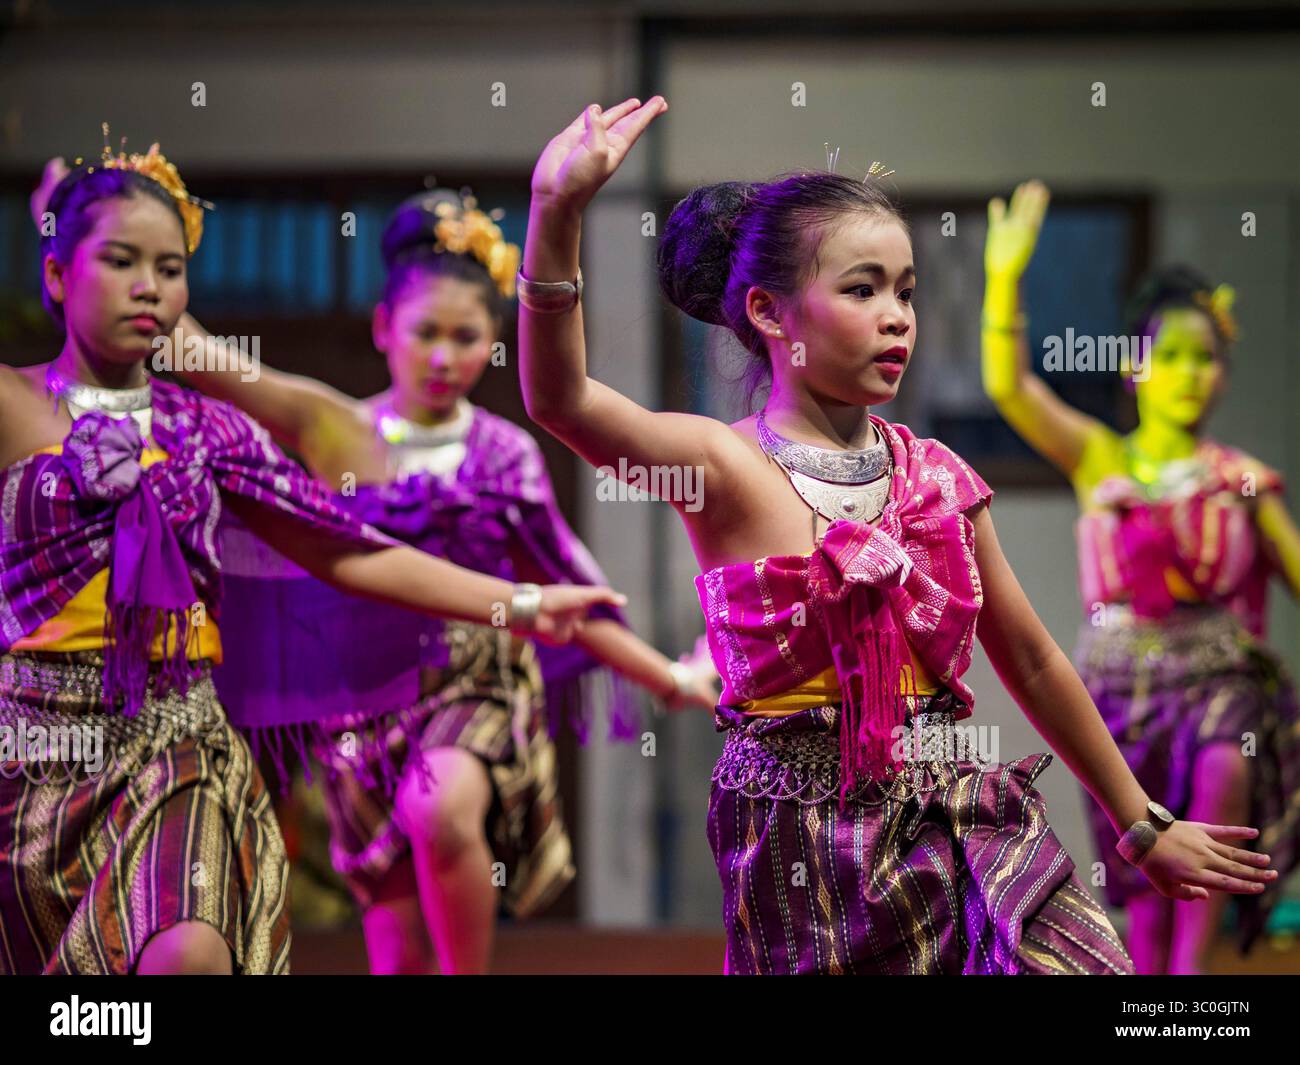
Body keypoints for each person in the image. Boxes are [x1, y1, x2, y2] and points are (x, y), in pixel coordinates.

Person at [514, 97, 1278, 974]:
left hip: (948, 813)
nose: (898, 315)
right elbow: (560, 400)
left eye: (907, 291)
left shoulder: (940, 478)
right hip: (797, 844)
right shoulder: (718, 468)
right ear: (770, 314)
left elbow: (1029, 658)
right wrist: (557, 212)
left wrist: (1141, 823)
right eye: (862, 289)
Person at [0, 141, 621, 975]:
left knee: (187, 959)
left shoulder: (208, 430)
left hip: (178, 748)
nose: (150, 286)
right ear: (54, 276)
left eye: (172, 268)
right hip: (32, 750)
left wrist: (524, 603)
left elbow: (347, 553)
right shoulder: (11, 405)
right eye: (119, 261)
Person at [160, 188, 716, 974]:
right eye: (426, 333)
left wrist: (668, 678)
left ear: (496, 338)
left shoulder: (504, 453)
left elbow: (560, 592)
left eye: (467, 336)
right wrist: (107, 229)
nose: (444, 356)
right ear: (385, 329)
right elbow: (202, 359)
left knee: (442, 805)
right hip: (362, 701)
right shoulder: (335, 428)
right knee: (396, 949)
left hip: (477, 686)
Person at [981, 180, 1300, 973]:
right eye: (1174, 355)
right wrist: (1003, 279)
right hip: (1117, 687)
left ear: (1224, 375)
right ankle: (1157, 991)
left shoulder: (1244, 478)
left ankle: (1195, 974)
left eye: (1208, 359)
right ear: (1134, 367)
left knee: (1229, 757)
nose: (1192, 373)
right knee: (1142, 888)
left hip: (1219, 671)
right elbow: (1009, 390)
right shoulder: (1100, 458)